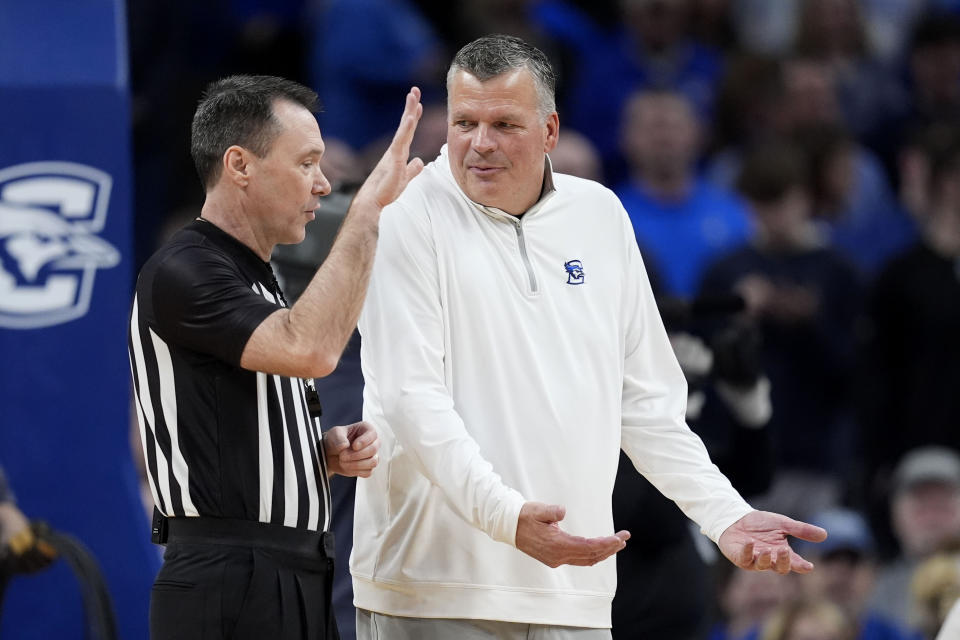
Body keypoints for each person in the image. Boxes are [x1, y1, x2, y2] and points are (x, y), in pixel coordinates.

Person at [352, 34, 827, 640]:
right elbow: (409, 398)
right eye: (465, 122)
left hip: (572, 595)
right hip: (431, 589)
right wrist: (506, 517)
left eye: (504, 123)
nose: (480, 143)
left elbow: (648, 405)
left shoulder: (600, 216)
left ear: (550, 131)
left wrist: (723, 514)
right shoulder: (405, 216)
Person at [128, 74, 424, 640]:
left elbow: (225, 424)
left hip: (292, 570)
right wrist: (366, 214)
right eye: (307, 163)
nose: (322, 185)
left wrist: (316, 454)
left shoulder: (261, 277)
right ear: (240, 165)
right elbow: (309, 349)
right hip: (227, 575)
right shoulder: (184, 268)